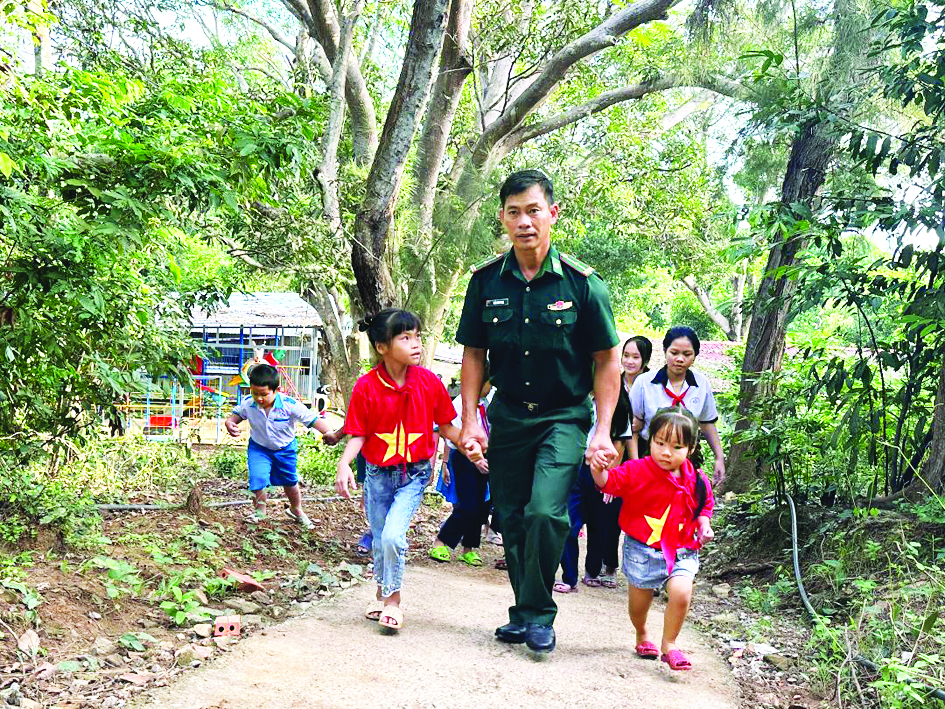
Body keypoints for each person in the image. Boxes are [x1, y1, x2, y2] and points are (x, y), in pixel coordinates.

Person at [456, 169, 621, 654]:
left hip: (563, 416)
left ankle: (538, 614)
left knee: (547, 512)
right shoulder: (486, 282)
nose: (524, 221)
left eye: (533, 210)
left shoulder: (584, 285)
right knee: (510, 516)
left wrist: (603, 431)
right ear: (503, 219)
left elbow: (607, 360)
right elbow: (473, 355)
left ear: (553, 213)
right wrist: (471, 419)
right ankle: (524, 613)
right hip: (508, 415)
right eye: (514, 212)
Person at [335, 309, 481, 632]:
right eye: (405, 337)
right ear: (382, 347)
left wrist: (467, 445)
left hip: (413, 474)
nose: (415, 344)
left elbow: (446, 427)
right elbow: (358, 432)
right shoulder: (365, 387)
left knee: (392, 536)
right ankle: (381, 591)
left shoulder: (429, 382)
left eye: (417, 336)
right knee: (378, 538)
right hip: (377, 475)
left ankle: (393, 602)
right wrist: (345, 463)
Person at [589, 406, 715, 671]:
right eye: (660, 443)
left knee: (682, 592)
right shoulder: (636, 470)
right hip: (641, 550)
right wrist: (597, 469)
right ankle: (642, 632)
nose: (666, 452)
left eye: (677, 446)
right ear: (651, 440)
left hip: (682, 549)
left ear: (690, 449)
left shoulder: (698, 480)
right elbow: (607, 483)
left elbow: (704, 506)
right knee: (639, 605)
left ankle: (670, 644)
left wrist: (704, 525)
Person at [225, 363, 337, 527]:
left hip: (285, 450)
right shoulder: (249, 403)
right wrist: (230, 423)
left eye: (264, 394)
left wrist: (328, 432)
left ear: (276, 390)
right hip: (259, 448)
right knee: (258, 478)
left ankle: (296, 509)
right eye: (255, 393)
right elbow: (236, 415)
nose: (259, 398)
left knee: (290, 481)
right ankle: (259, 513)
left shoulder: (289, 405)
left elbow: (312, 420)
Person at [629, 326, 726, 484]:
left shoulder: (701, 384)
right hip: (650, 459)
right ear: (665, 351)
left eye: (687, 354)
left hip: (687, 462)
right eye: (674, 353)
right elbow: (633, 427)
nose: (680, 359)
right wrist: (635, 464)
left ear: (695, 356)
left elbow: (707, 424)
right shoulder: (644, 383)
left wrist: (719, 458)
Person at [429, 377, 494, 566]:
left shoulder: (487, 401)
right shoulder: (460, 405)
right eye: (489, 382)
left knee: (482, 505)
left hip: (485, 457)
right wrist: (475, 460)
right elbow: (454, 436)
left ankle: (469, 548)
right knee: (467, 505)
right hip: (465, 457)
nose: (491, 387)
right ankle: (440, 541)